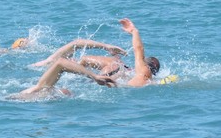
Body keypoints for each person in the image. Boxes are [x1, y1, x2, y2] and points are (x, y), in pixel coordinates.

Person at [18, 18, 161, 98]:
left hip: (90, 80)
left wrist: (134, 31)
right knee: (61, 90)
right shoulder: (142, 76)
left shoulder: (120, 65)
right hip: (98, 84)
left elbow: (138, 49)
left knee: (62, 90)